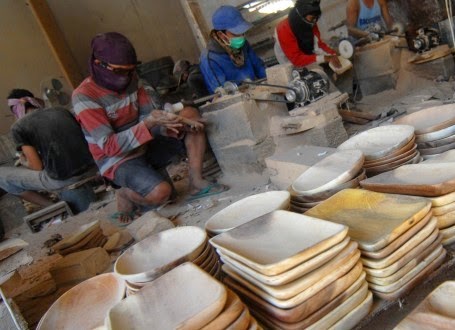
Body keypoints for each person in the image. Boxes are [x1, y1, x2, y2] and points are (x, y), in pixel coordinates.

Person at [72, 32, 228, 224]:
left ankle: (196, 181)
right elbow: (110, 146)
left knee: (189, 115)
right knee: (162, 194)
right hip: (117, 159)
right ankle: (125, 194)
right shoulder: (84, 96)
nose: (126, 77)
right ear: (98, 64)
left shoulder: (133, 79)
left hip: (144, 142)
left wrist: (168, 124)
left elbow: (149, 116)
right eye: (120, 71)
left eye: (130, 70)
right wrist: (149, 124)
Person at [0, 89, 95, 208]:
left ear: (15, 110)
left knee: (1, 176)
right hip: (92, 168)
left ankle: (54, 206)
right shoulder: (61, 111)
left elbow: (37, 167)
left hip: (66, 179)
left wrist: (25, 162)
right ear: (34, 100)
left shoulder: (19, 127)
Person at [200, 5, 266, 94]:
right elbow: (223, 93)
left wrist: (273, 77)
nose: (242, 37)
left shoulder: (243, 44)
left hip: (255, 91)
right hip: (237, 102)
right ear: (221, 35)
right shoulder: (210, 59)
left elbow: (259, 68)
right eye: (236, 34)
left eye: (242, 33)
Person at [274, 0, 341, 68]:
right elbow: (297, 60)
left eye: (316, 18)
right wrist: (324, 58)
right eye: (312, 18)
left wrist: (333, 54)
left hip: (304, 47)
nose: (314, 22)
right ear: (301, 16)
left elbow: (318, 45)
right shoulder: (283, 29)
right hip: (288, 55)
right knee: (299, 74)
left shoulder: (310, 22)